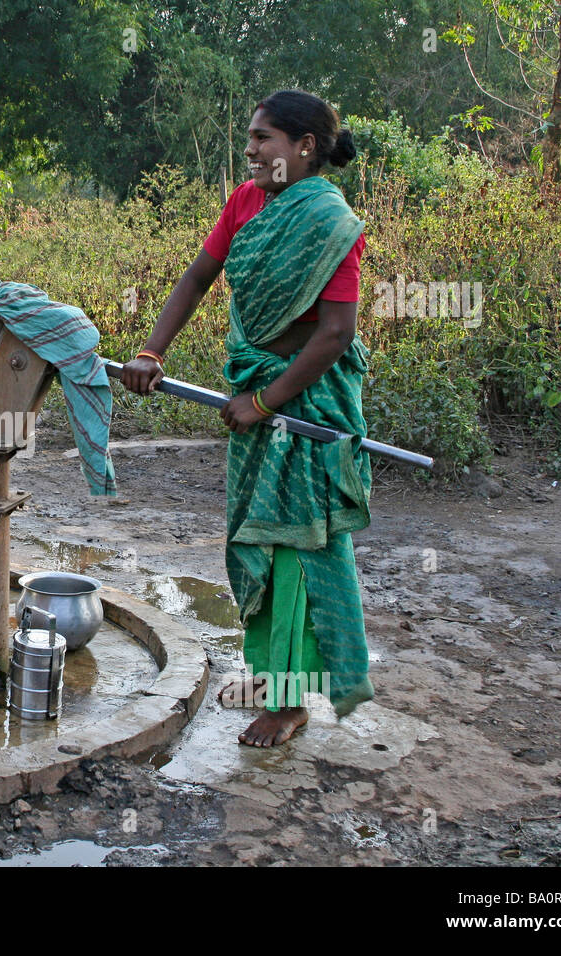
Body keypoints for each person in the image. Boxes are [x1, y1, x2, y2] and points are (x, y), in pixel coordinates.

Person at [121, 90, 373, 747]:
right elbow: (198, 277)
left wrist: (266, 402)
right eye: (251, 138)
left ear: (304, 146)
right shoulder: (245, 203)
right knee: (256, 538)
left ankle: (289, 703)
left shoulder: (329, 222)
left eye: (264, 138)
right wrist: (152, 350)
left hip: (305, 407)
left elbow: (336, 333)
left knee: (293, 549)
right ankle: (269, 677)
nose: (252, 149)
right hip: (254, 398)